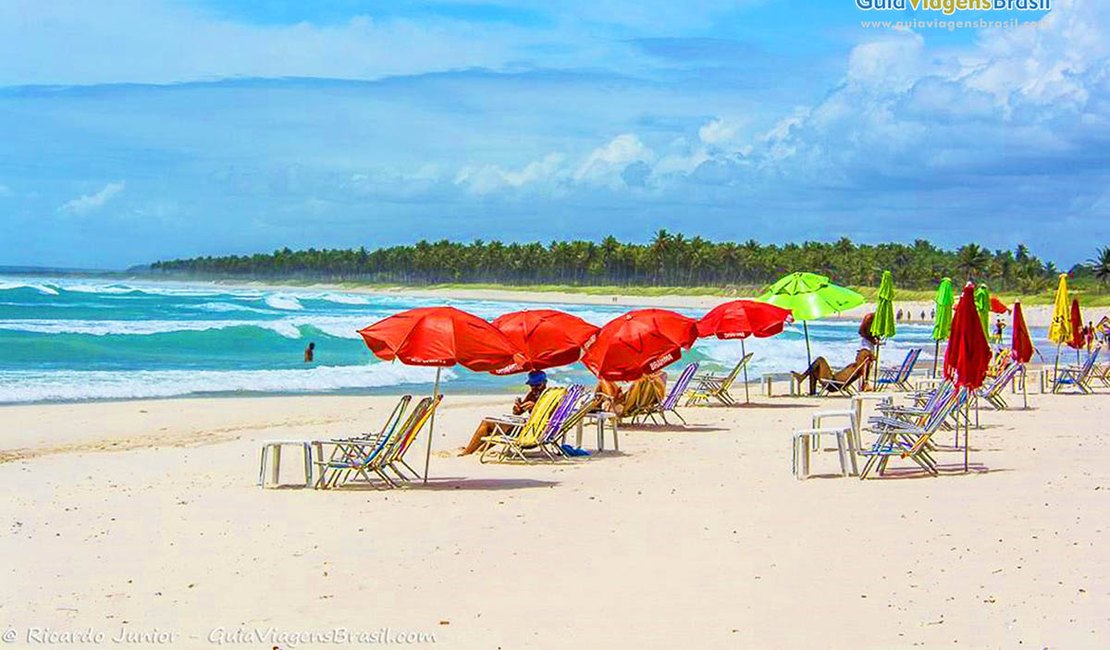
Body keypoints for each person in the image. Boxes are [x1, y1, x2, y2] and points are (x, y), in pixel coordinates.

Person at [460, 371, 548, 456]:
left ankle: (467, 452)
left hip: (533, 433)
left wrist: (536, 407)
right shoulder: (532, 395)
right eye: (532, 385)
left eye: (538, 385)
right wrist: (517, 409)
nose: (535, 388)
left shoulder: (548, 398)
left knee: (487, 423)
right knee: (498, 428)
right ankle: (478, 450)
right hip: (529, 431)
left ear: (545, 383)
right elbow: (518, 413)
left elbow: (550, 417)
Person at [792, 349, 874, 396]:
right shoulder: (854, 366)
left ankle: (802, 377)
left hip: (833, 383)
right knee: (815, 369)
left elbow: (845, 379)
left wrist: (868, 361)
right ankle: (812, 393)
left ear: (862, 358)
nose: (857, 356)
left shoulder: (859, 369)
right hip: (833, 380)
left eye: (859, 355)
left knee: (820, 359)